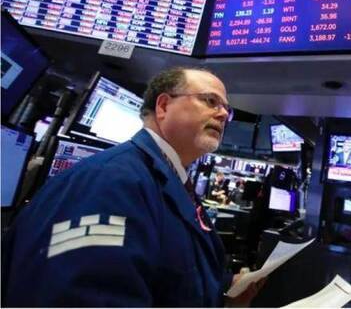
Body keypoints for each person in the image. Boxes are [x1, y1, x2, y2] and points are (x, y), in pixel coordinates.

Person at [2, 67, 264, 306]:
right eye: (210, 101)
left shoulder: (169, 180)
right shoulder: (110, 181)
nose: (222, 114)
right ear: (163, 106)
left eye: (226, 110)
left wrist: (224, 293)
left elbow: (172, 274)